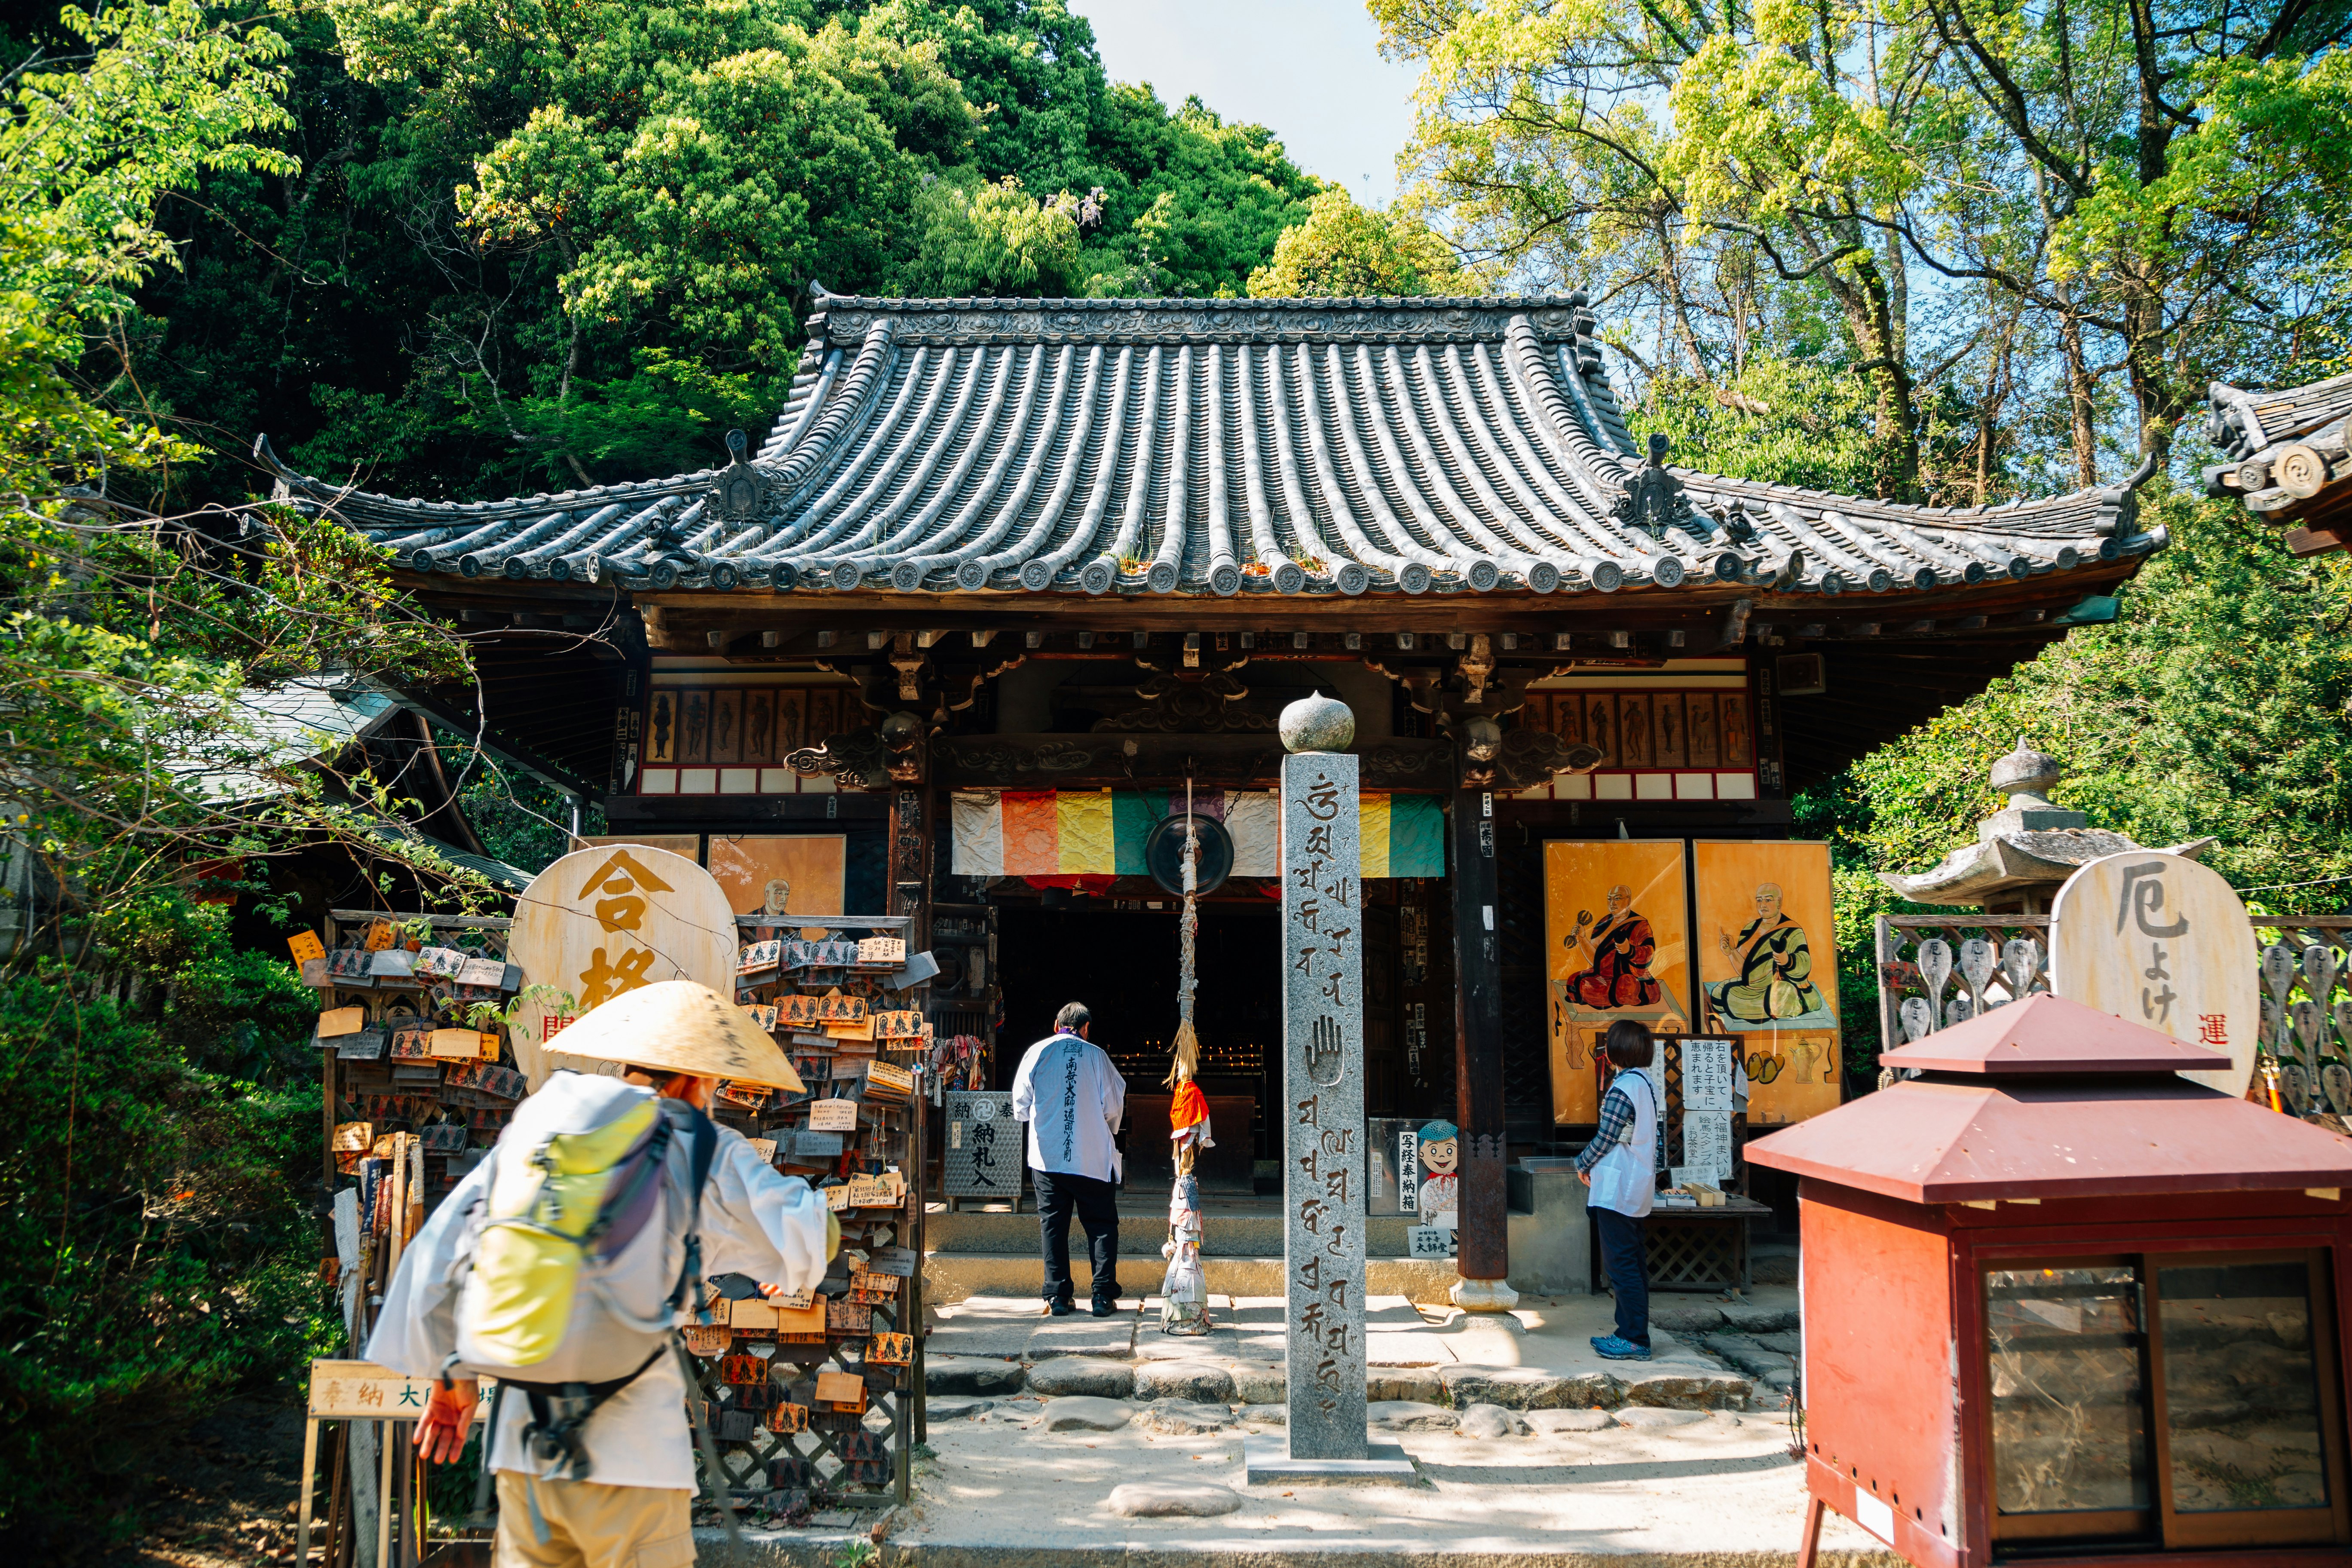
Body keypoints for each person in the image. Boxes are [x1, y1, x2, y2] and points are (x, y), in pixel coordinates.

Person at [370, 980, 833, 1568]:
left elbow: (445, 1249)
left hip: (524, 1449)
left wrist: (453, 1378)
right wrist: (790, 1261)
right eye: (714, 1085)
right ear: (695, 1080)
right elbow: (812, 1231)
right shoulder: (703, 1146)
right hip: (636, 1458)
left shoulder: (545, 1125)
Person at [1010, 1001, 1127, 1317]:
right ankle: (1102, 1296)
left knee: (1053, 1226)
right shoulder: (1097, 1056)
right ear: (1086, 1029)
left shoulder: (1037, 1052)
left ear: (1056, 1024)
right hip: (1091, 1158)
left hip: (1047, 1159)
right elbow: (1114, 1108)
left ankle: (1058, 1297)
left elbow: (1020, 1105)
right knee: (1102, 1225)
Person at [1577, 1019, 1662, 1361]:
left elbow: (1607, 1137)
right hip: (1636, 1183)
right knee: (1633, 1262)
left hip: (1618, 1186)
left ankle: (1634, 1338)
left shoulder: (1624, 1087)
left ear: (1616, 1051)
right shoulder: (1646, 1084)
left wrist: (1581, 1163)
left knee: (1622, 1264)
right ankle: (1630, 1330)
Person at [1708, 882, 1829, 1025]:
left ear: (1779, 902)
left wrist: (1788, 961)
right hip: (1755, 990)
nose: (1762, 905)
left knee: (1781, 998)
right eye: (1759, 900)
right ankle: (1747, 1004)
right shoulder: (1750, 928)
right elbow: (1746, 972)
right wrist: (1731, 952)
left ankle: (1790, 1005)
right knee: (1719, 993)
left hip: (1782, 989)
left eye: (1768, 900)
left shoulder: (1792, 930)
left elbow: (1805, 965)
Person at [1560, 884, 1663, 1010]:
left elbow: (1649, 955)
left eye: (1617, 899)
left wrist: (1630, 951)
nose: (1612, 903)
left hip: (1629, 977)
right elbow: (1596, 959)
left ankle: (1595, 996)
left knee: (1624, 987)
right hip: (1603, 976)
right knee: (1574, 980)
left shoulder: (1640, 925)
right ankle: (1592, 995)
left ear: (1629, 900)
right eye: (1610, 899)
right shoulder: (1605, 922)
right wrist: (1582, 939)